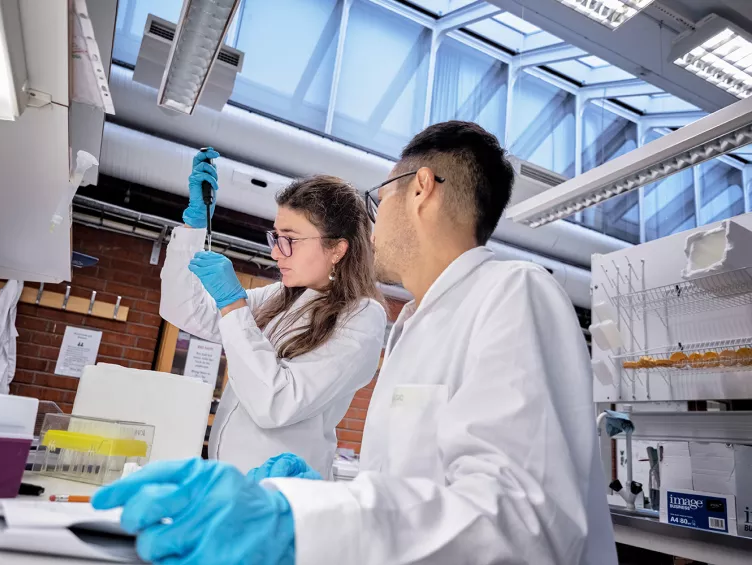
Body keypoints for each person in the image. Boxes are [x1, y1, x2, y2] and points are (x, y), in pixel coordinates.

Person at [92, 122, 617, 565]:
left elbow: (524, 526)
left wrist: (303, 520)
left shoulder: (512, 293)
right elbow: (411, 490)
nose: (374, 220)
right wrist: (323, 496)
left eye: (379, 198)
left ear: (421, 188)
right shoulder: (417, 321)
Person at [158, 150, 386, 480]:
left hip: (281, 494)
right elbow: (185, 309)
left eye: (290, 240)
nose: (275, 252)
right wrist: (193, 229)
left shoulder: (362, 317)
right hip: (231, 481)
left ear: (338, 248)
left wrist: (233, 305)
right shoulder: (279, 297)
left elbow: (276, 404)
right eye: (276, 237)